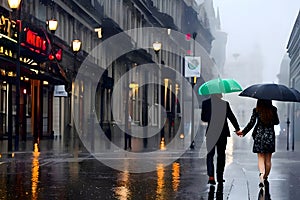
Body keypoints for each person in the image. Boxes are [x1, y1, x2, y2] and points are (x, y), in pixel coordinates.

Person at [201, 93, 241, 185]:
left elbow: (204, 118)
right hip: (222, 133)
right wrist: (237, 129)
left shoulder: (205, 103)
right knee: (221, 155)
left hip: (211, 133)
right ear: (218, 94)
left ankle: (211, 176)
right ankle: (220, 176)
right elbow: (231, 117)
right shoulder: (225, 104)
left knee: (210, 155)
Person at [239, 99, 279, 188]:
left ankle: (261, 175)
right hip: (269, 136)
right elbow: (276, 122)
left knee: (260, 157)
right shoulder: (273, 109)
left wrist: (243, 132)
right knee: (268, 159)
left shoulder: (257, 110)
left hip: (259, 136)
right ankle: (265, 177)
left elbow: (251, 123)